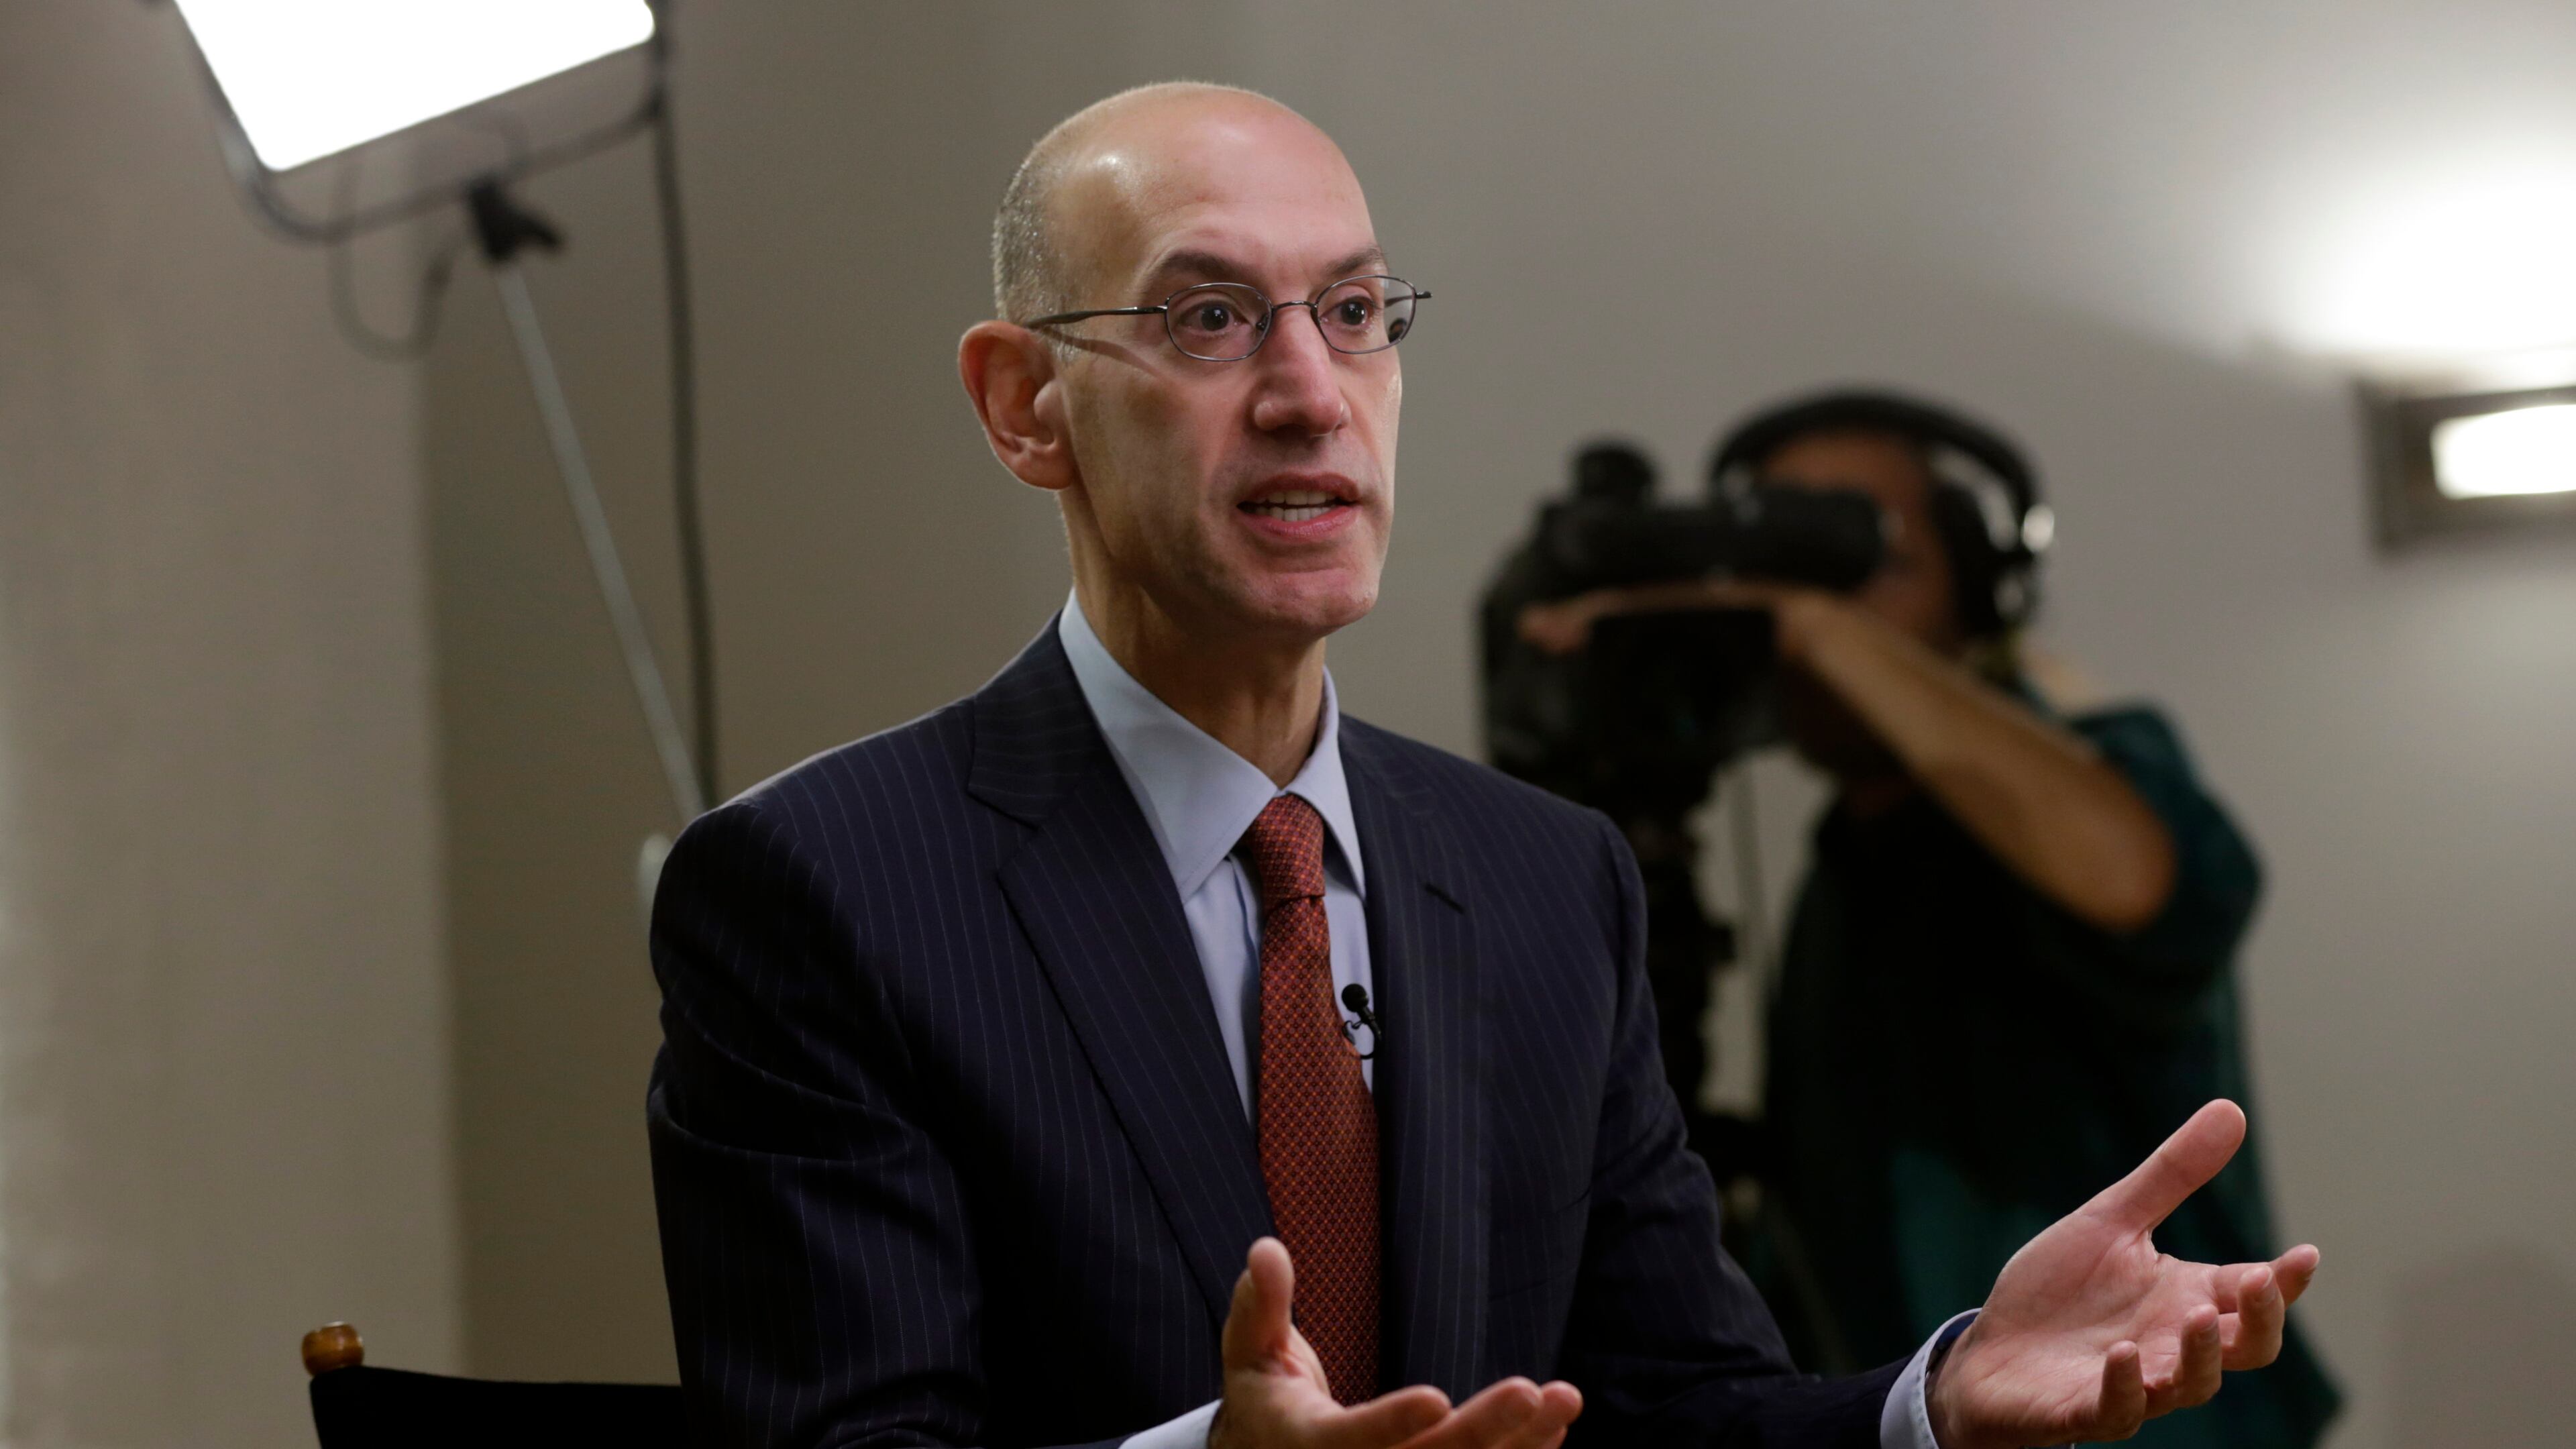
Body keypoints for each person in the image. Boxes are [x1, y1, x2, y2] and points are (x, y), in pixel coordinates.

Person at [645, 85, 2318, 1449]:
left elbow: (1677, 1411)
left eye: (1353, 313)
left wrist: (1934, 1400)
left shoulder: (1547, 880)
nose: (1311, 394)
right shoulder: (822, 891)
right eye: (1210, 317)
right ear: (1027, 406)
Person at [1521, 392, 2339, 1448]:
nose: (1813, 611)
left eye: (1868, 560)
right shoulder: (1842, 870)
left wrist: (1815, 623)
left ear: (1980, 591)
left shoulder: (2105, 763)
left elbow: (2149, 886)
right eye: (1784, 569)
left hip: (2152, 1415)